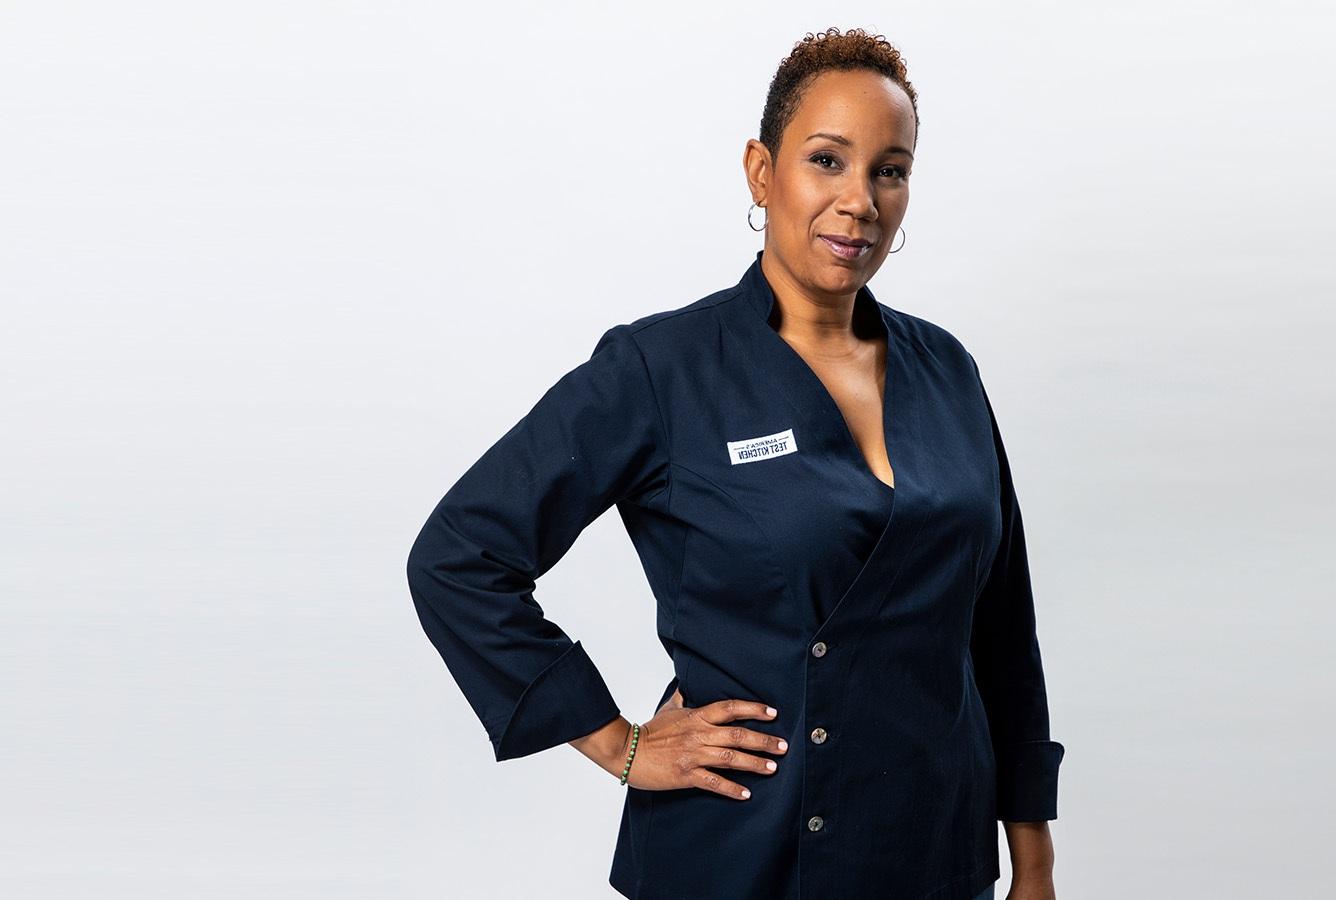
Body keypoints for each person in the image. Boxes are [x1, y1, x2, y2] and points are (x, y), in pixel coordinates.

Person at [406, 27, 1063, 900]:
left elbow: (1000, 630)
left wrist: (1034, 860)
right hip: (739, 854)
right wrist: (619, 743)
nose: (859, 199)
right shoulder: (661, 369)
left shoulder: (947, 370)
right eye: (827, 160)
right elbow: (459, 557)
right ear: (762, 170)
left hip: (935, 856)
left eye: (889, 169)